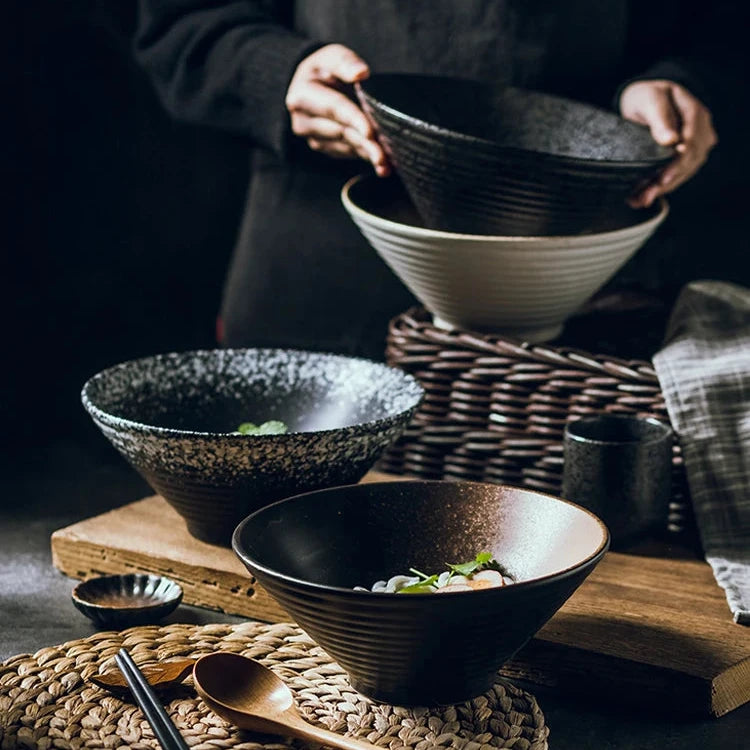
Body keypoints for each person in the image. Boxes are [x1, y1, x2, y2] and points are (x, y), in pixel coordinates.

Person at [132, 1, 724, 361]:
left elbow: (723, 24)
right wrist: (274, 74)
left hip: (595, 297)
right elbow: (183, 21)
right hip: (325, 287)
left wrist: (682, 79)